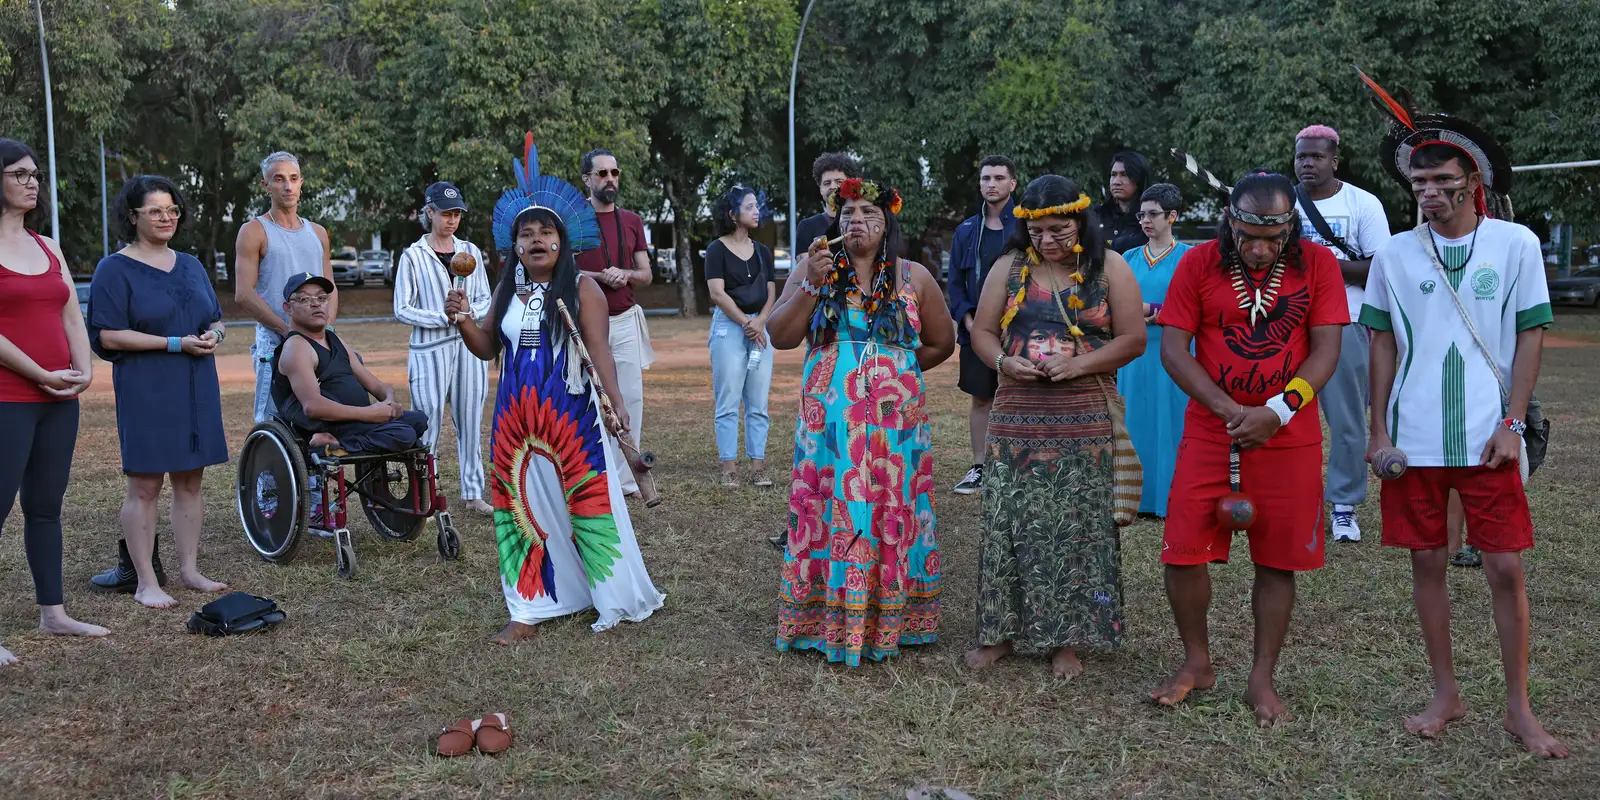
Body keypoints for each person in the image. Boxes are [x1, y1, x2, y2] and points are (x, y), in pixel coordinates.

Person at [1358, 80, 1566, 757]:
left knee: (1505, 567)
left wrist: (1511, 423)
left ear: (1471, 181)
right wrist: (1378, 432)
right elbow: (1380, 341)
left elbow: (1531, 334)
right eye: (1420, 180)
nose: (1429, 190)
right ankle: (1445, 693)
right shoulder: (1393, 253)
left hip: (1487, 438)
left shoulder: (1516, 245)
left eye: (1443, 179)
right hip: (1412, 439)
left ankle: (1519, 710)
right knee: (1427, 561)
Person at [1150, 171, 1347, 726]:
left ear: (1291, 228)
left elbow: (1326, 350)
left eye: (1273, 238)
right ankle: (1197, 662)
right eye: (1248, 237)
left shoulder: (1319, 265)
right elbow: (1173, 349)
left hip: (1290, 433)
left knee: (1277, 557)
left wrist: (1277, 411)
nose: (1260, 250)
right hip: (1212, 429)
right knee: (1182, 549)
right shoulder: (1197, 264)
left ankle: (1261, 678)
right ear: (1230, 224)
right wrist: (1229, 411)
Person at [453, 163, 664, 644]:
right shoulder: (507, 290)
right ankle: (528, 605)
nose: (536, 241)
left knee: (586, 504)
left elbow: (600, 350)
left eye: (546, 232)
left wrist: (616, 405)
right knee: (519, 507)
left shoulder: (583, 288)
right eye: (525, 235)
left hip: (571, 416)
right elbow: (488, 348)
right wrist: (463, 320)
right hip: (514, 419)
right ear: (515, 247)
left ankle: (606, 591)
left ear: (562, 241)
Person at [766, 176, 956, 665]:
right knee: (832, 505)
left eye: (869, 212)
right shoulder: (815, 270)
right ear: (834, 223)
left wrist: (898, 371)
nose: (857, 221)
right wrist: (810, 281)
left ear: (888, 220)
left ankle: (894, 617)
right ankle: (826, 615)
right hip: (830, 422)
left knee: (893, 506)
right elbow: (780, 335)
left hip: (897, 425)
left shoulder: (914, 276)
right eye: (847, 214)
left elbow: (941, 341)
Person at [962, 175, 1146, 678]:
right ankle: (1001, 633)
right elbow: (980, 329)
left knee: (1079, 528)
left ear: (1081, 222)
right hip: (1016, 415)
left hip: (1085, 416)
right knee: (1006, 523)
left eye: (1060, 230)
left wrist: (1078, 366)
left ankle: (1068, 638)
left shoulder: (1108, 268)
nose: (1048, 242)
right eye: (1038, 231)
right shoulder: (1009, 266)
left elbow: (1133, 339)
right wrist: (1003, 362)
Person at [88, 175, 230, 609]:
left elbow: (217, 318)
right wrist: (174, 343)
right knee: (145, 486)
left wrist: (215, 337)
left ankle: (189, 570)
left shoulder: (191, 264)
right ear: (132, 217)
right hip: (147, 386)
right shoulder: (114, 268)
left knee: (191, 480)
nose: (167, 217)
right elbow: (109, 336)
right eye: (155, 211)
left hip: (196, 384)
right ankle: (146, 581)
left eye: (172, 210)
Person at [0, 138, 108, 666]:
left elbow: (70, 311)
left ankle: (53, 612)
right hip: (9, 396)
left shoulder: (47, 245)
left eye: (35, 174)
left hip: (58, 396)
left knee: (45, 508)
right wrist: (39, 373)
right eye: (19, 173)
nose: (31, 182)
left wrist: (83, 368)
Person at [1292, 125, 1391, 543]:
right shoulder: (1282, 201)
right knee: (1285, 417)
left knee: (1347, 419)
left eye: (1317, 156)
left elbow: (1380, 268)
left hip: (1345, 321)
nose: (1308, 164)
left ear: (1335, 160)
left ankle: (1345, 507)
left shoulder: (1362, 204)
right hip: (1287, 323)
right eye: (1301, 157)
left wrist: (1319, 265)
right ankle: (1289, 500)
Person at [393, 181, 493, 514]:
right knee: (428, 422)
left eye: (456, 214)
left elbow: (484, 298)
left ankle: (473, 492)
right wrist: (442, 316)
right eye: (445, 213)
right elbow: (402, 308)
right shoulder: (413, 256)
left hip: (468, 348)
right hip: (429, 350)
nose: (451, 220)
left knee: (469, 419)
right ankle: (423, 493)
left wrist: (466, 314)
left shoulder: (470, 252)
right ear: (429, 212)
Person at [274, 273, 429, 455]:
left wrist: (389, 403)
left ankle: (346, 443)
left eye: (322, 298)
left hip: (359, 421)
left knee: (419, 419)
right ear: (288, 308)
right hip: (332, 425)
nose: (315, 303)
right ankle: (337, 443)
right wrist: (370, 414)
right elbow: (312, 406)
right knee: (403, 434)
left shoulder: (334, 339)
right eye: (304, 299)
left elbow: (376, 385)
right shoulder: (297, 347)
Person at [575, 148, 653, 497]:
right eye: (602, 173)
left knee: (630, 399)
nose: (610, 179)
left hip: (624, 319)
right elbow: (563, 272)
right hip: (584, 325)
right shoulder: (572, 220)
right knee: (586, 401)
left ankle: (623, 480)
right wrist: (599, 276)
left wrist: (625, 273)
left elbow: (646, 274)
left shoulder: (632, 221)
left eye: (614, 173)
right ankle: (592, 475)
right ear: (587, 179)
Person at [234, 151, 334, 423]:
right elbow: (243, 294)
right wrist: (287, 331)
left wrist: (326, 330)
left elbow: (330, 288)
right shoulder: (254, 231)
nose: (287, 186)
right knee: (274, 422)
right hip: (276, 340)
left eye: (293, 179)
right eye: (279, 179)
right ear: (265, 186)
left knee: (320, 418)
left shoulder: (318, 233)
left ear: (301, 182)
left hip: (318, 339)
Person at [1116, 183, 1192, 517]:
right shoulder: (1126, 259)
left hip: (1174, 354)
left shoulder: (1190, 257)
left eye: (1154, 214)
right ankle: (1135, 499)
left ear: (1172, 216)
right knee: (1133, 421)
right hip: (1133, 355)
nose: (1146, 220)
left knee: (1171, 421)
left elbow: (1195, 305)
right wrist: (1139, 311)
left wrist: (1151, 309)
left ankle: (1170, 497)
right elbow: (1111, 303)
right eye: (1142, 214)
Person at [945, 155, 1019, 495]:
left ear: (1012, 184)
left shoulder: (1025, 227)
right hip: (976, 331)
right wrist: (973, 324)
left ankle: (1017, 465)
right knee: (981, 398)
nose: (991, 183)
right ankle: (979, 466)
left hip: (1019, 331)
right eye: (986, 177)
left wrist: (1014, 324)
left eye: (999, 178)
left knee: (1019, 398)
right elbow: (956, 285)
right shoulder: (965, 231)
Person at [703, 185, 776, 488]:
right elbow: (717, 293)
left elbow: (772, 292)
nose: (756, 210)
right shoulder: (716, 249)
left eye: (756, 205)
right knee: (729, 398)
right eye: (749, 206)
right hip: (729, 327)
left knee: (758, 401)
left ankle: (758, 466)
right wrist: (747, 322)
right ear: (733, 215)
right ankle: (729, 467)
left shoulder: (763, 251)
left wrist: (759, 322)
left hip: (759, 326)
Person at [794, 152, 862, 253]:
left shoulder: (862, 223)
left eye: (839, 182)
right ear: (821, 189)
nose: (832, 186)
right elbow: (805, 266)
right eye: (827, 183)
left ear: (851, 185)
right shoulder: (807, 227)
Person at [1095, 151, 1151, 252]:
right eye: (1113, 175)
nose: (1116, 182)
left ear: (1139, 179)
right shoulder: (1097, 214)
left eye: (1124, 175)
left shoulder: (1151, 218)